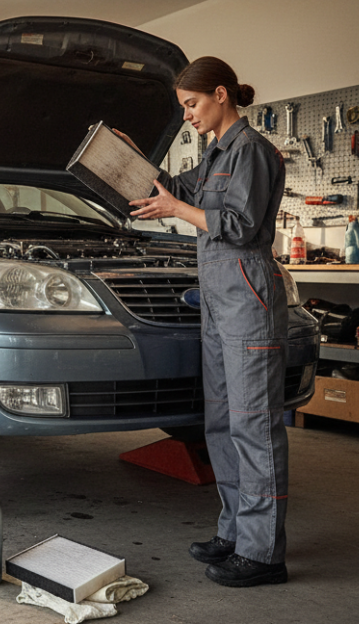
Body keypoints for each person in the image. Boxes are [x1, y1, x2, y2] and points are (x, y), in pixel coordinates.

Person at [119, 57, 288, 588]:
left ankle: (264, 554)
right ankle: (235, 533)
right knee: (220, 422)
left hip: (247, 297)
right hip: (217, 300)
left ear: (220, 94)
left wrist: (177, 209)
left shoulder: (252, 152)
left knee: (254, 425)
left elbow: (236, 225)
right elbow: (176, 189)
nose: (187, 116)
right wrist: (129, 159)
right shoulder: (214, 153)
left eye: (191, 105)